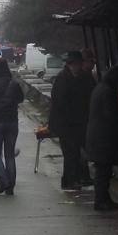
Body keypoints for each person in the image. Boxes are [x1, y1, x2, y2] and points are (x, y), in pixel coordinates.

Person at [86, 66, 118, 211]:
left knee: (102, 171)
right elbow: (110, 114)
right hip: (103, 137)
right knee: (103, 171)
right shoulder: (108, 91)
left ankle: (104, 198)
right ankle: (101, 200)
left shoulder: (101, 88)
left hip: (98, 135)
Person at [0, 59, 24, 195]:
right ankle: (11, 186)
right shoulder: (13, 84)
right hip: (12, 122)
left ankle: (4, 181)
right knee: (9, 155)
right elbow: (21, 99)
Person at [49, 51, 87, 190]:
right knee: (71, 153)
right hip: (66, 124)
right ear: (73, 64)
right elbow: (61, 102)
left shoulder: (71, 77)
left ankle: (71, 179)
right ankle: (69, 181)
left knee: (73, 152)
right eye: (79, 64)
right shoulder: (64, 78)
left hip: (71, 123)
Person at [77, 49, 97, 186]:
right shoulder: (84, 77)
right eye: (92, 61)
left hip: (85, 118)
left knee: (83, 149)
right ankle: (83, 175)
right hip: (84, 119)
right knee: (83, 149)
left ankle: (83, 175)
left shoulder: (86, 76)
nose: (94, 64)